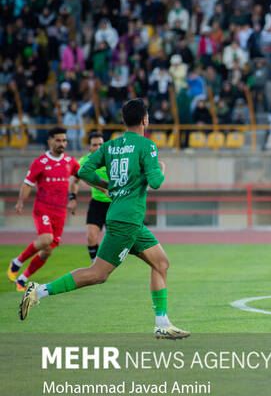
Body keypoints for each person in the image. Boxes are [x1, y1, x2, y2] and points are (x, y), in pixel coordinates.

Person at [20, 99, 189, 340]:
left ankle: (162, 323)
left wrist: (106, 184)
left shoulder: (110, 147)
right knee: (98, 274)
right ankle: (39, 291)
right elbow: (156, 183)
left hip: (126, 219)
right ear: (145, 120)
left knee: (161, 263)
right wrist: (160, 167)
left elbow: (83, 170)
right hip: (127, 221)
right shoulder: (147, 145)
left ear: (123, 121)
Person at [7, 127, 80, 291]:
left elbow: (80, 176)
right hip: (43, 208)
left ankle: (22, 278)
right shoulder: (40, 162)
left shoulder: (70, 161)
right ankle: (17, 261)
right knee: (46, 239)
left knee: (47, 251)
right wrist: (20, 201)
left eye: (64, 140)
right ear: (50, 141)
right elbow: (27, 184)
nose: (62, 143)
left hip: (60, 212)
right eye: (58, 140)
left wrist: (74, 197)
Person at [79, 131, 112, 262]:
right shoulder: (84, 161)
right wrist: (72, 197)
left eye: (100, 144)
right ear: (89, 147)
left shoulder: (112, 159)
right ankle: (95, 263)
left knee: (115, 240)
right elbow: (80, 179)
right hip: (97, 203)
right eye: (94, 145)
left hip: (114, 204)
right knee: (91, 237)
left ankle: (106, 264)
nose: (98, 147)